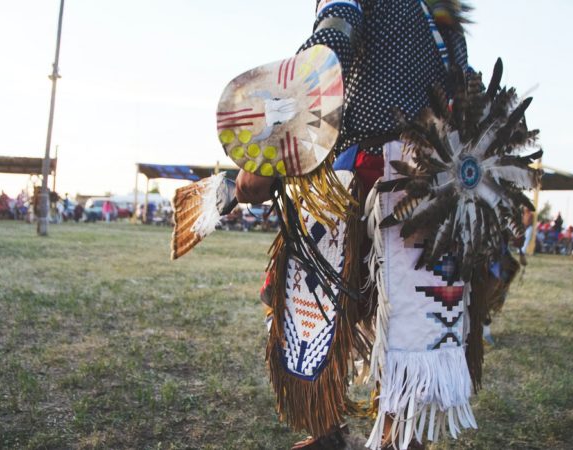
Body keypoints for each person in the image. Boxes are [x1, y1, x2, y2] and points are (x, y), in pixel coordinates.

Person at [227, 2, 536, 448]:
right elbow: (464, 89)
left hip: (374, 175)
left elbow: (326, 56)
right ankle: (372, 435)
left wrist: (269, 154)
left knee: (331, 303)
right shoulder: (439, 12)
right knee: (403, 318)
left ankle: (364, 435)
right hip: (434, 182)